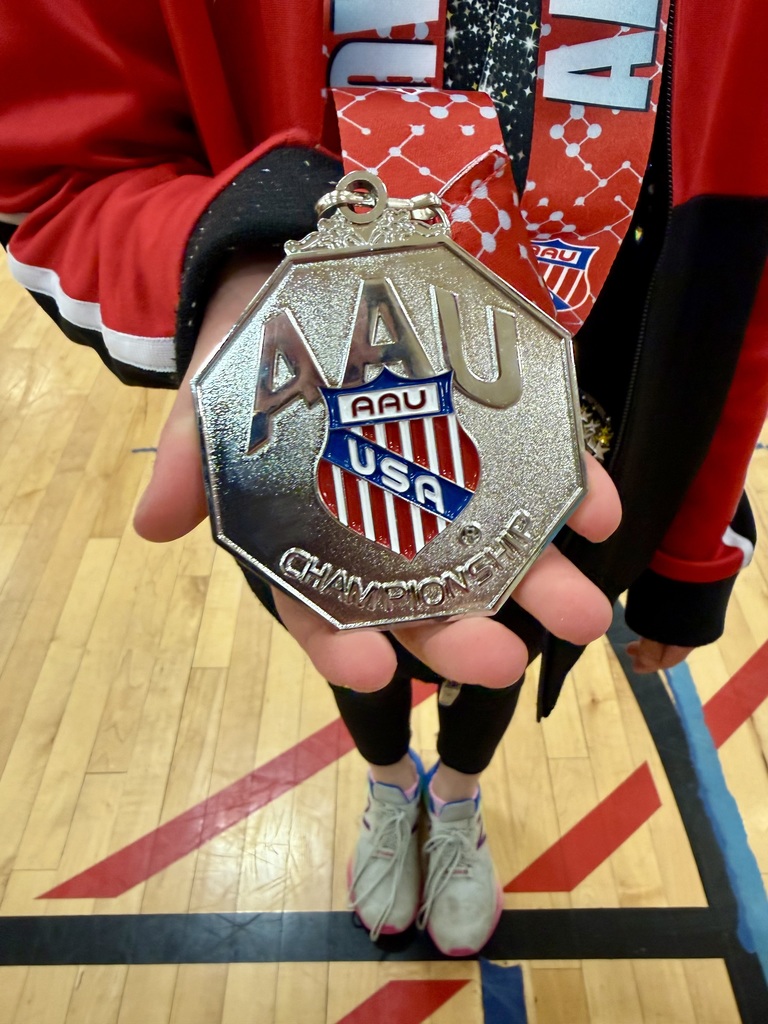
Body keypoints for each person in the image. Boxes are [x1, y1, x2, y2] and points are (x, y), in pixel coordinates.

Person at [1, 1, 765, 955]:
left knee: (499, 648)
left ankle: (456, 800)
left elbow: (746, 249)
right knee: (357, 626)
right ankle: (389, 780)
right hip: (314, 384)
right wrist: (237, 241)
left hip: (595, 415)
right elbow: (60, 164)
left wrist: (692, 557)